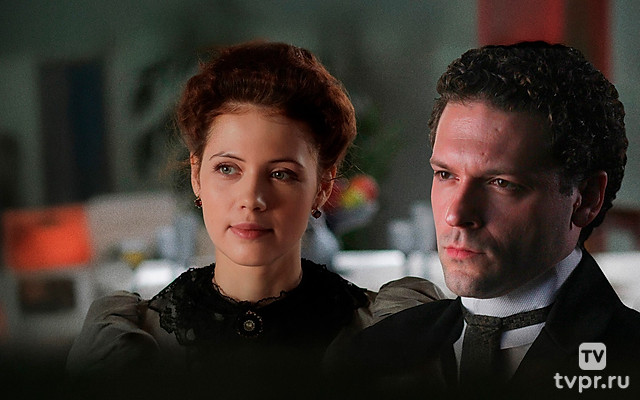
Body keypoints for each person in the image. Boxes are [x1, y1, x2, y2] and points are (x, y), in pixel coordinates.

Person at [65, 41, 442, 400]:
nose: (251, 199)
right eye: (227, 169)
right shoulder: (126, 338)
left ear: (322, 188)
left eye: (281, 174)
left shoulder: (389, 329)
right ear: (197, 176)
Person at [326, 41, 640, 400]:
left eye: (501, 183)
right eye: (445, 175)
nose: (456, 215)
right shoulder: (369, 355)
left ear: (586, 198)